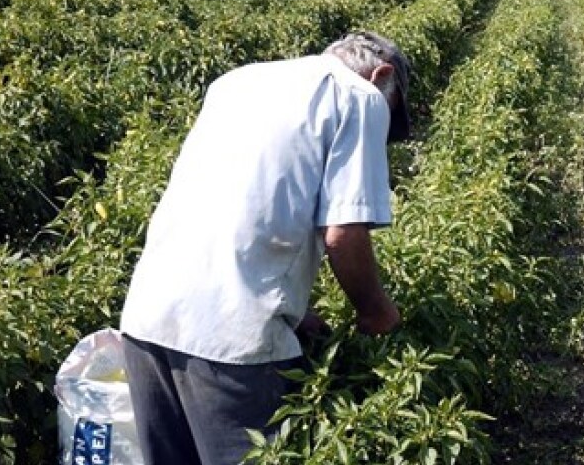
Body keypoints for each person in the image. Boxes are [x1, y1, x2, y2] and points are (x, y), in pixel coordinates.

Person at [119, 31, 413, 465]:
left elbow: (239, 207)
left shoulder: (237, 82)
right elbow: (344, 234)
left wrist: (293, 312)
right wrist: (377, 312)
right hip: (231, 345)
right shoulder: (360, 97)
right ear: (383, 76)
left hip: (146, 320)